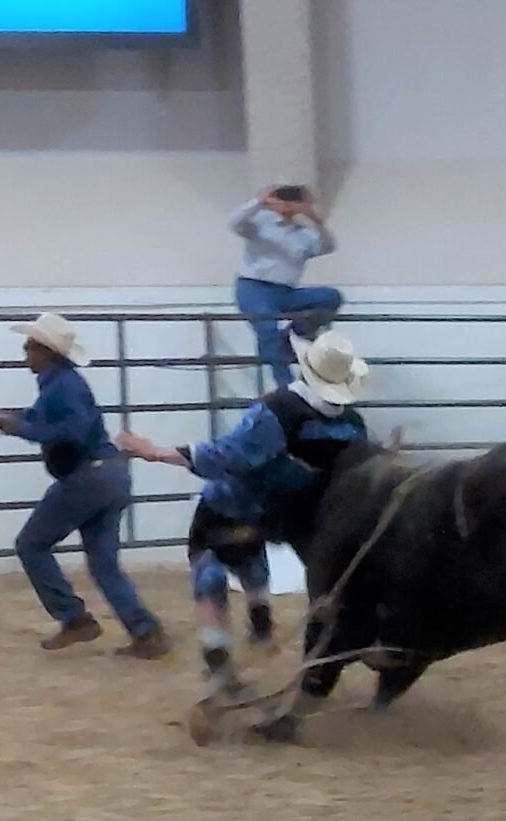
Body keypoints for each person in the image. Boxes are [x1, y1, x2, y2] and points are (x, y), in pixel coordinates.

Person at [116, 330, 369, 696]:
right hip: (285, 513)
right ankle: (260, 617)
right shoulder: (352, 426)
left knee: (209, 570)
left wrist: (158, 453)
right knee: (251, 549)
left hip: (232, 506)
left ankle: (220, 659)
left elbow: (229, 455)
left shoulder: (279, 411)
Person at [0, 312, 171, 658]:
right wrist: (11, 420)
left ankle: (74, 618)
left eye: (30, 346)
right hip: (109, 475)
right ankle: (146, 631)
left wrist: (13, 426)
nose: (25, 352)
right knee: (103, 565)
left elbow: (72, 432)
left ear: (46, 351)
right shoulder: (62, 383)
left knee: (31, 544)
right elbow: (45, 419)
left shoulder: (62, 385)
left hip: (88, 478)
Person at [229, 183, 343, 389]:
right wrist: (258, 202)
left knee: (330, 297)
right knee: (267, 329)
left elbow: (327, 246)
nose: (289, 205)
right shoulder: (260, 222)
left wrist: (316, 219)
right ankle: (286, 385)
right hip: (254, 289)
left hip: (286, 292)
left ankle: (293, 337)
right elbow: (234, 223)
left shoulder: (304, 233)